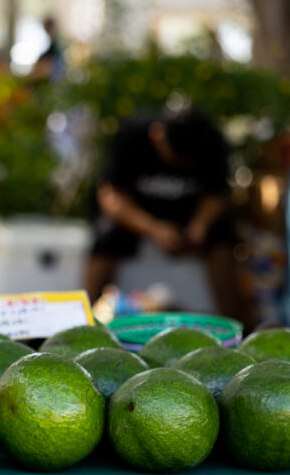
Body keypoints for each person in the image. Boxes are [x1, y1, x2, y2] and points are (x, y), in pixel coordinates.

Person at [85, 108, 246, 322]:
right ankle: (89, 318)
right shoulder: (131, 136)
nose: (181, 166)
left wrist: (199, 226)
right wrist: (154, 229)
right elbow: (111, 197)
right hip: (138, 217)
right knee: (106, 235)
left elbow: (218, 195)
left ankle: (234, 324)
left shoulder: (209, 139)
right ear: (156, 136)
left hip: (191, 216)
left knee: (224, 240)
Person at [30, 16, 64, 81]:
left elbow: (52, 52)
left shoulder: (56, 39)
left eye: (45, 26)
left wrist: (41, 59)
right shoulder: (55, 38)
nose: (44, 29)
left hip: (56, 69)